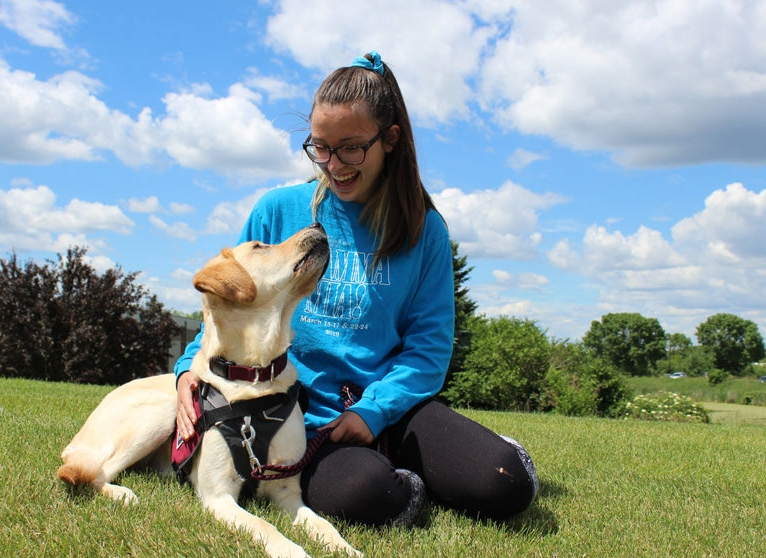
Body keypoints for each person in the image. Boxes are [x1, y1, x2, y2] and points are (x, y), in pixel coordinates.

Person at [174, 51, 537, 527]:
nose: (333, 164)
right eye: (319, 147)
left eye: (350, 148)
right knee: (367, 496)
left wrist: (374, 411)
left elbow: (428, 350)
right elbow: (227, 310)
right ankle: (401, 477)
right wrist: (186, 372)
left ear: (389, 140)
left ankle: (454, 455)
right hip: (302, 418)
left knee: (503, 481)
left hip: (396, 407)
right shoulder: (279, 210)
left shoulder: (424, 230)